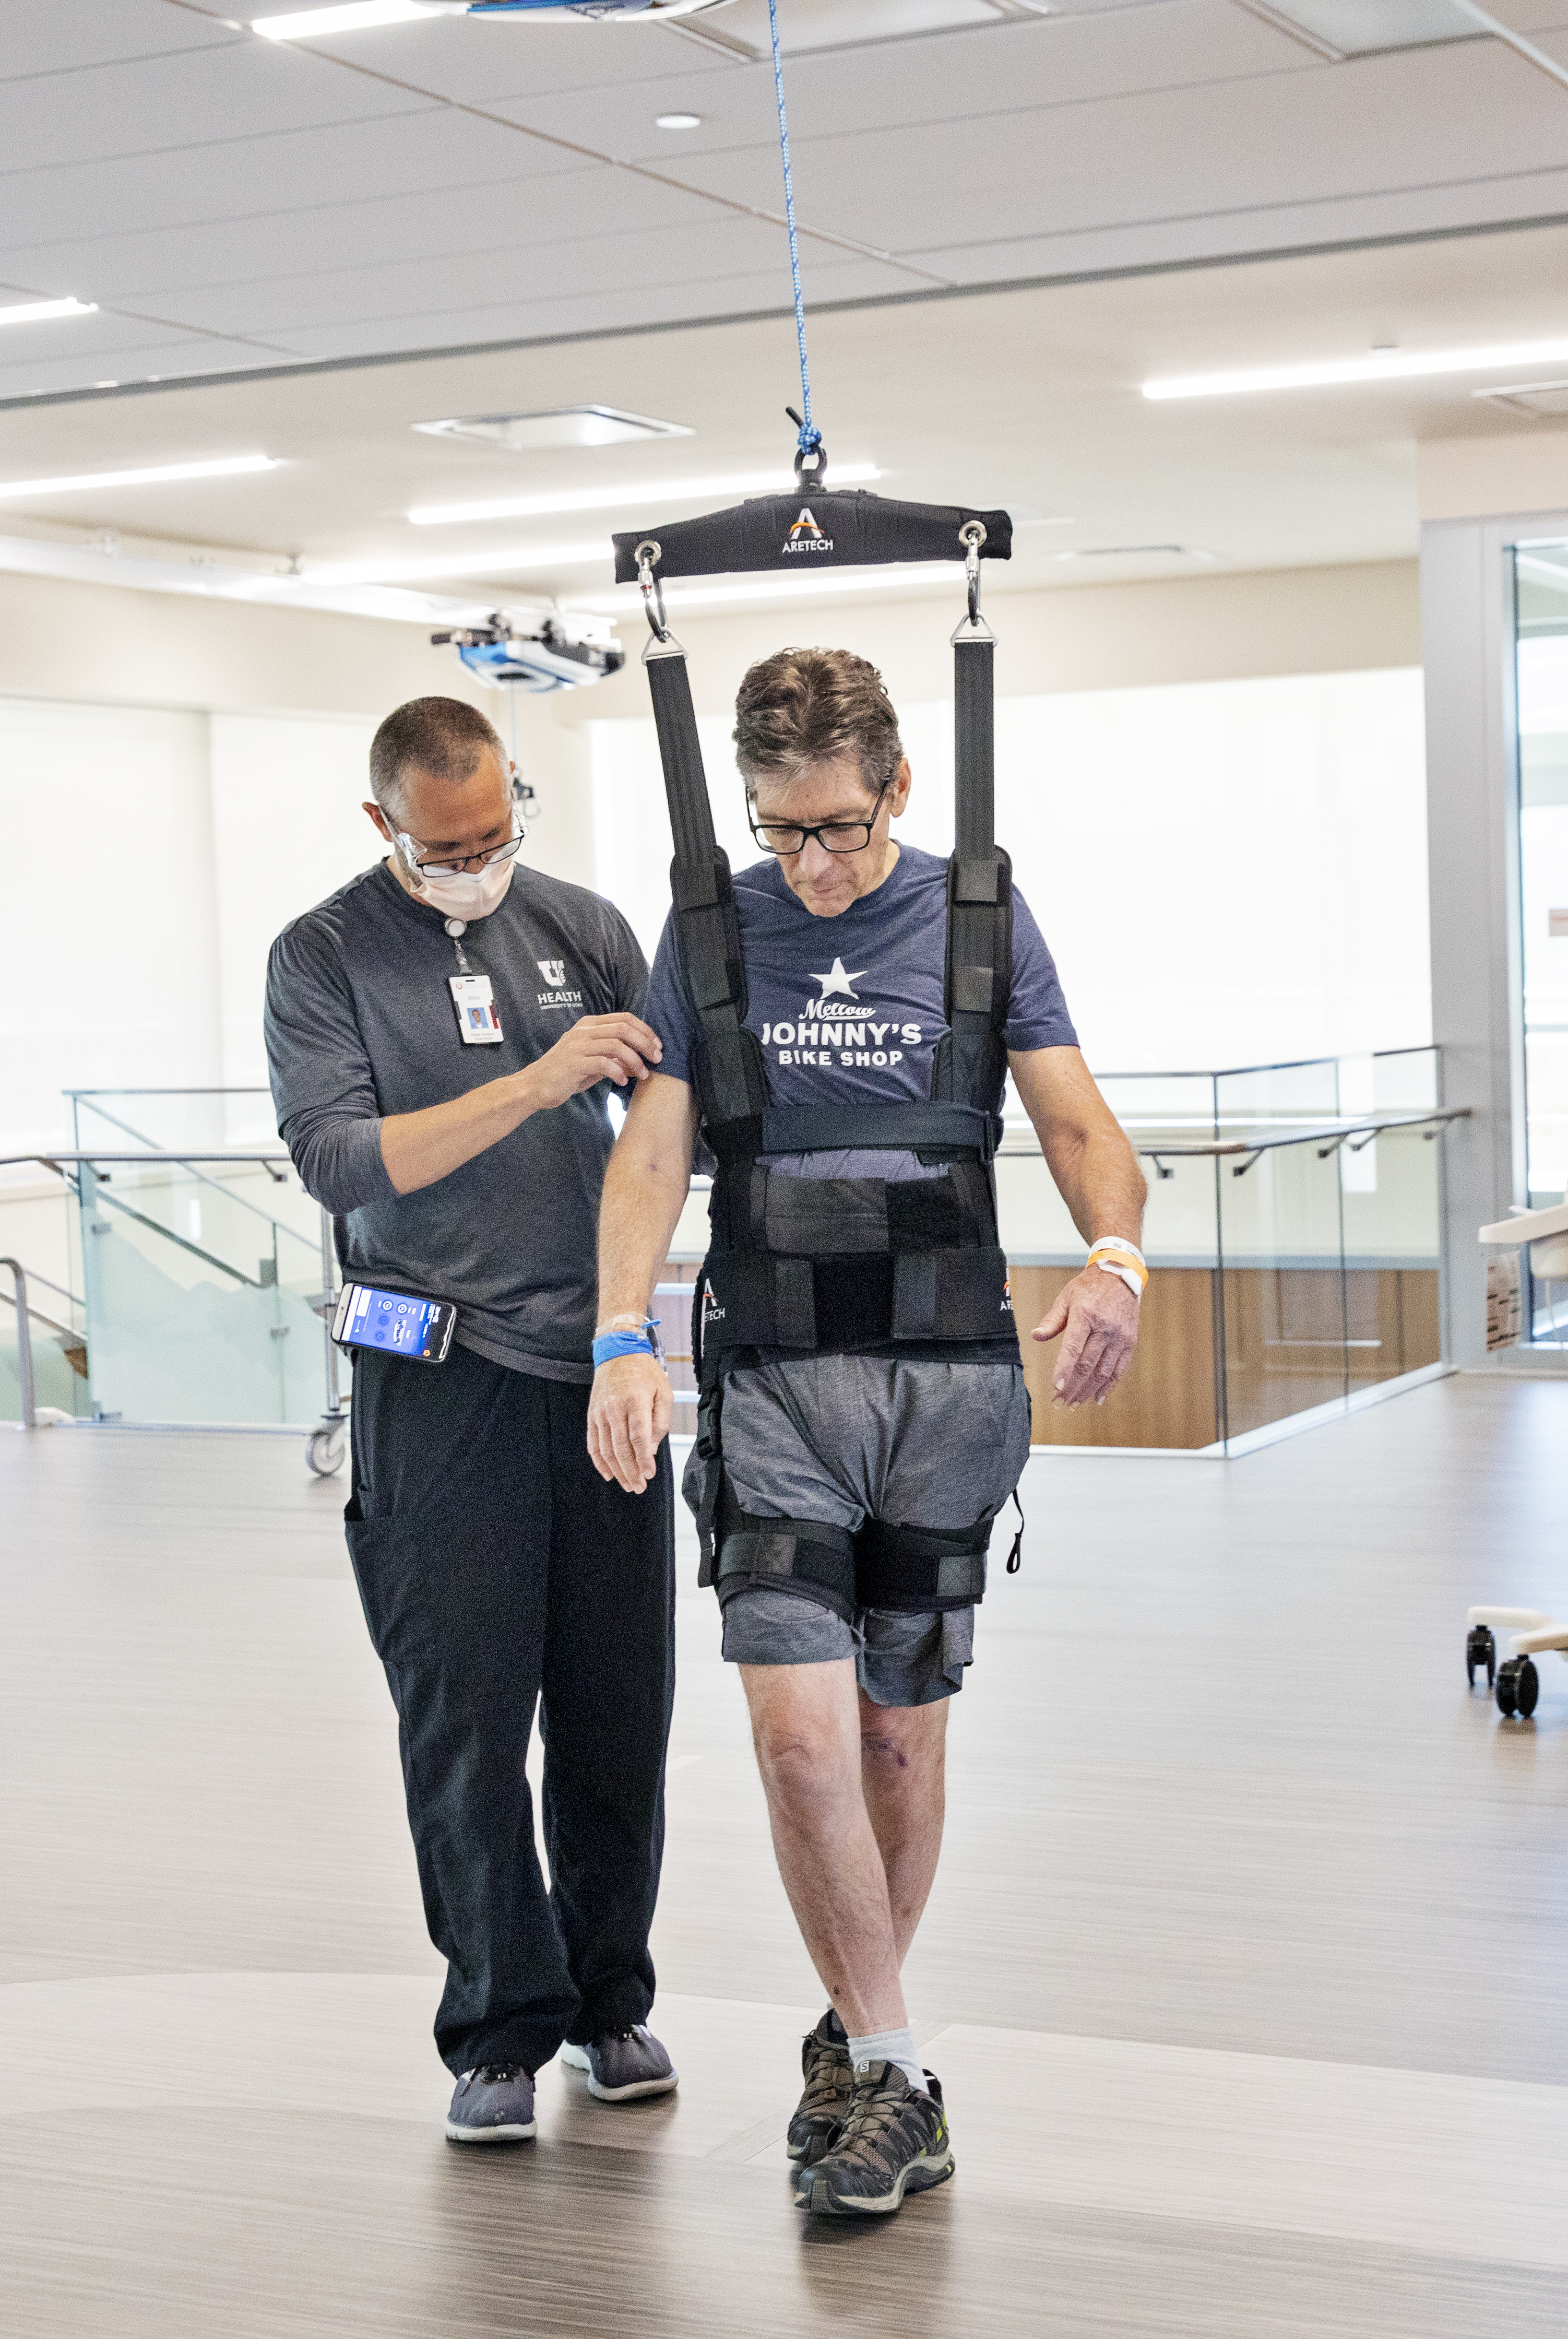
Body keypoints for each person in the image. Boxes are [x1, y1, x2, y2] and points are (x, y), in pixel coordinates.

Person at [588, 648, 1146, 2217]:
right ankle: (900, 2071)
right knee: (793, 1741)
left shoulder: (977, 920)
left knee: (897, 1738)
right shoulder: (707, 933)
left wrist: (1113, 1255)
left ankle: (858, 2039)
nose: (812, 866)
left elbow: (1079, 1123)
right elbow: (649, 1159)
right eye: (781, 833)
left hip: (946, 1386)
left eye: (835, 828)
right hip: (772, 1385)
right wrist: (619, 1335)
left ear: (895, 788)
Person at [264, 695, 679, 2146]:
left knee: (618, 1715)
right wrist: (534, 1085)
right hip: (435, 1382)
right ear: (385, 825)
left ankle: (611, 1998)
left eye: (498, 833)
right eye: (446, 845)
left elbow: (672, 1132)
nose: (477, 861)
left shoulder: (585, 925)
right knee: (466, 1723)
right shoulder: (322, 956)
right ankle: (501, 2022)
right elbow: (343, 1165)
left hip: (600, 1375)